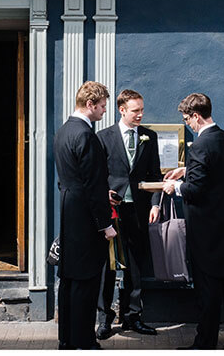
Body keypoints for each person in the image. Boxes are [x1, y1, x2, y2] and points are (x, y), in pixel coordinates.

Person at [163, 93, 224, 349]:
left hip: (206, 230)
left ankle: (205, 342)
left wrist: (174, 186)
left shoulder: (199, 145)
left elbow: (195, 190)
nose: (187, 123)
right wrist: (187, 169)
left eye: (187, 118)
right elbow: (216, 170)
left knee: (208, 290)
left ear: (196, 116)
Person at [54, 81, 118, 350]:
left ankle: (67, 339)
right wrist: (106, 225)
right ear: (90, 105)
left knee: (69, 280)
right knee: (87, 281)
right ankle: (84, 341)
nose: (104, 111)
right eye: (102, 105)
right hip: (86, 218)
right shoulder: (86, 136)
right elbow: (94, 186)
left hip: (70, 212)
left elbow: (69, 179)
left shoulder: (63, 131)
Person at [95, 89, 162, 339]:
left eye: (142, 110)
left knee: (135, 264)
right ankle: (104, 319)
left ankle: (133, 317)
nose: (140, 115)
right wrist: (104, 196)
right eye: (135, 110)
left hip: (138, 211)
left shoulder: (149, 137)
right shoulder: (103, 137)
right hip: (112, 211)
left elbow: (155, 174)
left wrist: (155, 203)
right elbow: (97, 175)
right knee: (108, 266)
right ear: (121, 110)